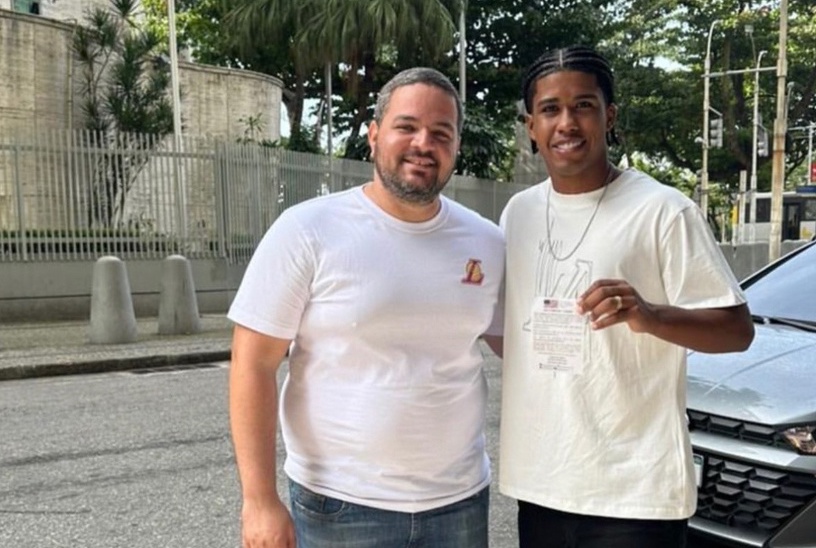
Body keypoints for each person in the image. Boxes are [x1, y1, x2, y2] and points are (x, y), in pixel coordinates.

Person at [227, 67, 504, 548]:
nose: (424, 143)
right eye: (406, 126)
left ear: (456, 147)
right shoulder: (308, 229)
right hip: (340, 505)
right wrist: (259, 500)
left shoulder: (486, 241)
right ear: (374, 136)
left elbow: (521, 345)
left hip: (458, 502)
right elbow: (252, 364)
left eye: (441, 133)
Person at [498, 45, 755, 548]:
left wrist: (649, 315)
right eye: (550, 109)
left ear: (609, 116)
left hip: (634, 496)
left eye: (584, 106)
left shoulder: (662, 210)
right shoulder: (518, 214)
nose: (567, 123)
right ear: (531, 126)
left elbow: (737, 331)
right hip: (541, 483)